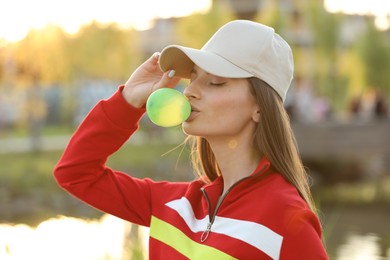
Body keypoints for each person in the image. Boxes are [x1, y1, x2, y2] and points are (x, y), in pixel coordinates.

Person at [54, 20, 328, 259]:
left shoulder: (287, 220)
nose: (189, 91)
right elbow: (75, 173)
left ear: (260, 106)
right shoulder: (174, 206)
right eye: (193, 78)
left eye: (216, 82)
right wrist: (128, 101)